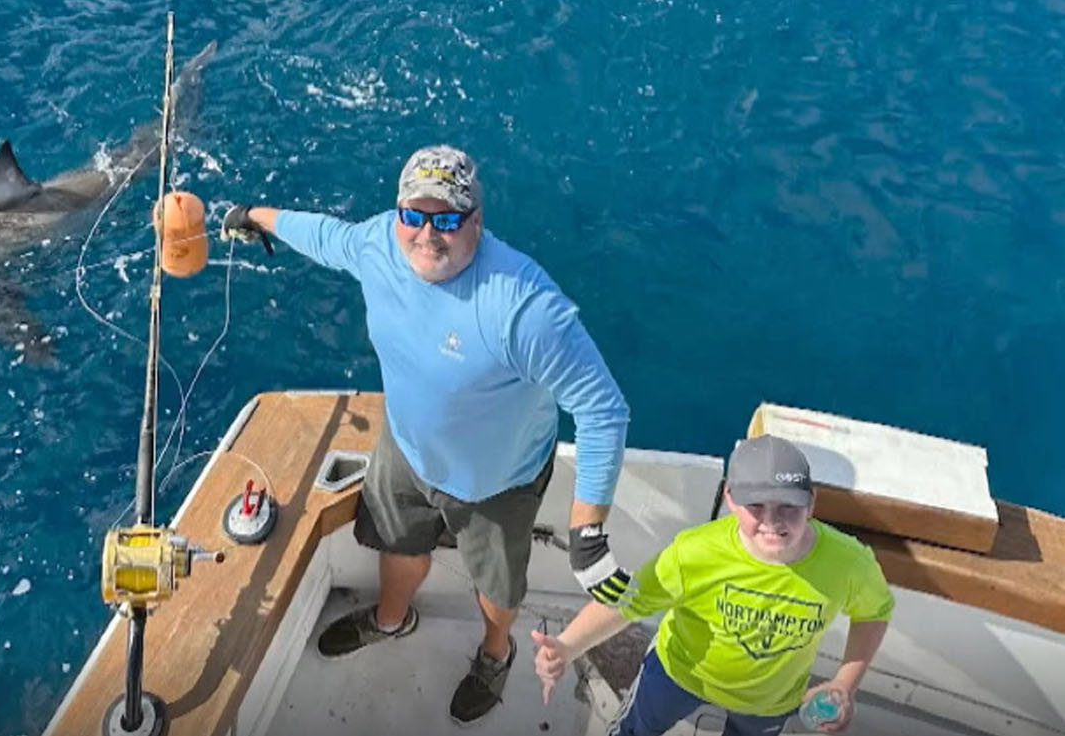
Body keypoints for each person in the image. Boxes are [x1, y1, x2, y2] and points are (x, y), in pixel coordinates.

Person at [222, 145, 631, 725]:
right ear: (398, 216)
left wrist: (587, 531)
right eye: (414, 215)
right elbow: (324, 235)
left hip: (498, 479)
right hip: (406, 450)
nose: (427, 233)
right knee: (398, 546)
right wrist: (256, 215)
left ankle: (496, 651)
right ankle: (391, 619)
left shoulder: (524, 306)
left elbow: (603, 409)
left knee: (496, 588)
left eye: (446, 219)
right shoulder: (378, 244)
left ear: (476, 221)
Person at [532, 435, 895, 736]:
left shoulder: (850, 563)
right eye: (756, 505)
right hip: (678, 672)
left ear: (811, 503)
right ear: (730, 500)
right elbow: (627, 602)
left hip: (770, 699)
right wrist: (565, 647)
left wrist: (845, 683)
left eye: (789, 506)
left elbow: (874, 612)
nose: (773, 522)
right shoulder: (695, 551)